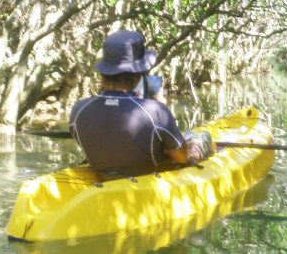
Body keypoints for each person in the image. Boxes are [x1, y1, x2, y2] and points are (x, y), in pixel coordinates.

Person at [69, 30, 214, 175]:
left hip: (104, 177)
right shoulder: (156, 111)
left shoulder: (78, 109)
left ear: (103, 73)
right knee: (205, 136)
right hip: (149, 181)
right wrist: (162, 113)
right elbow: (182, 158)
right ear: (139, 73)